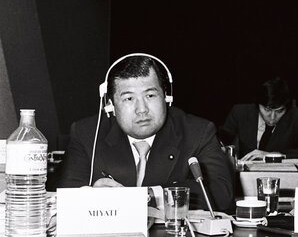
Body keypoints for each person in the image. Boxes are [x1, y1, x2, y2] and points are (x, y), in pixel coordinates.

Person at [59, 54, 234, 213]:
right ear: (110, 105)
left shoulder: (198, 132)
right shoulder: (86, 133)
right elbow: (67, 195)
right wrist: (90, 196)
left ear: (166, 97)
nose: (141, 110)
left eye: (150, 96)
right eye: (129, 98)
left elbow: (221, 193)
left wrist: (150, 195)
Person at [218, 77, 298, 160]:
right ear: (257, 104)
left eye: (279, 111)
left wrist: (278, 155)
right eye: (267, 110)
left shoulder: (297, 117)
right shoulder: (240, 113)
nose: (272, 117)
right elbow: (220, 142)